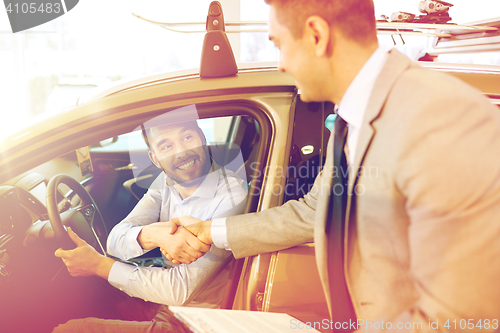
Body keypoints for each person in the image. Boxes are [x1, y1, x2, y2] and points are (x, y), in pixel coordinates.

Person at [165, 0, 500, 332]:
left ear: (316, 35)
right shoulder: (353, 119)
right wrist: (211, 230)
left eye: (279, 45)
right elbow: (315, 210)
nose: (280, 64)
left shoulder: (444, 121)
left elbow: (460, 318)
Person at [53, 118, 248, 332]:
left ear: (202, 137)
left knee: (68, 329)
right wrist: (157, 235)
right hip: (167, 303)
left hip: (195, 320)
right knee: (98, 294)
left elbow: (180, 290)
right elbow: (115, 240)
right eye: (167, 146)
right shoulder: (166, 181)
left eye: (187, 137)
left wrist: (99, 265)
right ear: (155, 159)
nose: (181, 152)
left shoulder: (232, 195)